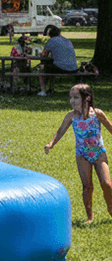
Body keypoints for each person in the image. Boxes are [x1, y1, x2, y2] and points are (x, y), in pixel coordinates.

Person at [44, 84, 112, 223]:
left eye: (76, 97)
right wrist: (51, 143)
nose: (72, 101)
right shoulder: (71, 116)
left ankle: (111, 210)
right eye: (71, 98)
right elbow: (60, 131)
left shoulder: (97, 114)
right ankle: (89, 217)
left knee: (107, 184)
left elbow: (110, 127)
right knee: (87, 186)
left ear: (86, 98)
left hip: (99, 153)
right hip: (82, 155)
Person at [38, 27, 78, 96]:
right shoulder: (67, 40)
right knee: (51, 67)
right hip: (74, 68)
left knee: (42, 71)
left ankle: (43, 91)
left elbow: (43, 55)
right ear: (59, 33)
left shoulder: (51, 41)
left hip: (61, 68)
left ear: (50, 35)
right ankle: (51, 88)